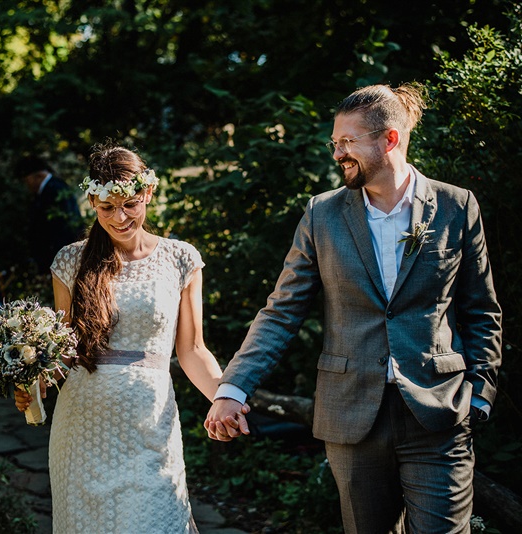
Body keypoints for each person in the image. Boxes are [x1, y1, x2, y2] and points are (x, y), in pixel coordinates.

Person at [205, 83, 502, 533]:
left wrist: (480, 393)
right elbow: (281, 311)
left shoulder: (455, 206)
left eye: (348, 142)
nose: (338, 153)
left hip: (437, 414)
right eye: (335, 143)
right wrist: (233, 388)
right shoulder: (322, 215)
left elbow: (481, 309)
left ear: (389, 140)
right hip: (351, 416)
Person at [14, 142, 248, 533]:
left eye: (130, 204)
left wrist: (226, 398)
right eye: (107, 207)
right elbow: (63, 353)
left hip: (150, 426)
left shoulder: (180, 258)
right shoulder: (70, 261)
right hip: (82, 429)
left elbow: (192, 350)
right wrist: (34, 385)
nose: (120, 217)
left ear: (148, 194)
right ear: (92, 201)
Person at [15, 155, 83, 273]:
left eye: (27, 180)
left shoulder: (54, 190)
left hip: (61, 257)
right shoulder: (52, 188)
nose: (27, 185)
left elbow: (61, 228)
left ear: (38, 176)